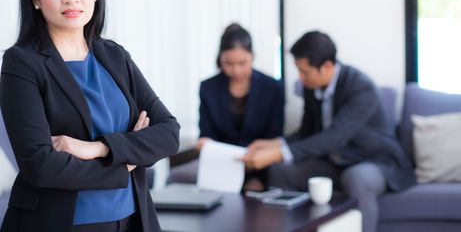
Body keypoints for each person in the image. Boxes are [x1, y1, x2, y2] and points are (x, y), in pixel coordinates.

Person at [0, 0, 180, 232]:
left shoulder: (114, 56)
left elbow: (169, 133)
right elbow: (40, 166)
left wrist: (98, 148)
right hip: (64, 224)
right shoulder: (22, 63)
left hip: (134, 219)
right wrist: (126, 164)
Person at [241, 31, 415, 232]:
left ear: (327, 67)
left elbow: (335, 136)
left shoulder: (361, 88)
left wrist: (277, 153)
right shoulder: (311, 86)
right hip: (335, 160)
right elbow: (307, 132)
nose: (301, 78)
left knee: (356, 178)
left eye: (305, 72)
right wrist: (275, 144)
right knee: (281, 170)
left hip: (374, 160)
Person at [169, 23, 284, 191]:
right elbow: (207, 133)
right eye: (228, 63)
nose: (236, 70)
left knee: (253, 189)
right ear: (220, 59)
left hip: (258, 162)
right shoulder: (208, 88)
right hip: (221, 163)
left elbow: (275, 135)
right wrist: (205, 144)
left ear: (252, 57)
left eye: (242, 63)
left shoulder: (272, 87)